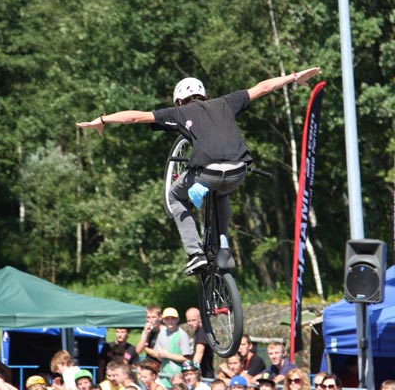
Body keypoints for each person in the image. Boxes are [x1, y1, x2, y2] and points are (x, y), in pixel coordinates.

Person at [76, 68, 321, 274]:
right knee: (222, 191)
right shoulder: (226, 102)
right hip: (239, 170)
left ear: (180, 101)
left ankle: (195, 253)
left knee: (174, 196)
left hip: (208, 171)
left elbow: (135, 118)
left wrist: (103, 119)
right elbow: (263, 87)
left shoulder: (178, 112)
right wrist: (293, 77)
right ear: (203, 95)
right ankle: (223, 243)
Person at [154, 307, 191, 386]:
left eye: (173, 318)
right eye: (167, 319)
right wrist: (159, 355)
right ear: (163, 320)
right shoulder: (162, 333)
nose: (170, 321)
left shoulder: (182, 335)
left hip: (178, 378)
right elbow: (157, 353)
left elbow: (186, 358)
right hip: (163, 377)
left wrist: (167, 355)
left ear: (177, 319)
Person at [185, 307, 214, 379]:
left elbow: (199, 353)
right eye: (189, 321)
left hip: (204, 377)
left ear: (200, 319)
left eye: (193, 320)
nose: (191, 323)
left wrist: (191, 372)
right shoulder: (197, 332)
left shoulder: (202, 331)